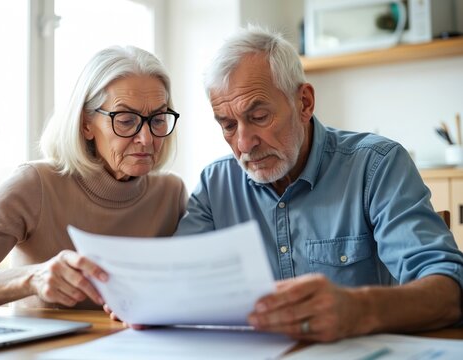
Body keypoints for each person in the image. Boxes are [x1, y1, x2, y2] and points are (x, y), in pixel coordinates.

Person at [175, 26, 463, 342]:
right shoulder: (216, 185)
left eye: (259, 117)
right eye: (228, 125)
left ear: (304, 103)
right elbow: (173, 281)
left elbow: (450, 291)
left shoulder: (376, 166)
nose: (243, 143)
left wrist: (358, 310)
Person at [0, 45, 188, 312]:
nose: (147, 138)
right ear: (85, 124)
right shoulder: (35, 184)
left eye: (158, 119)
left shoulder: (171, 193)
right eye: (126, 121)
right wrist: (31, 279)